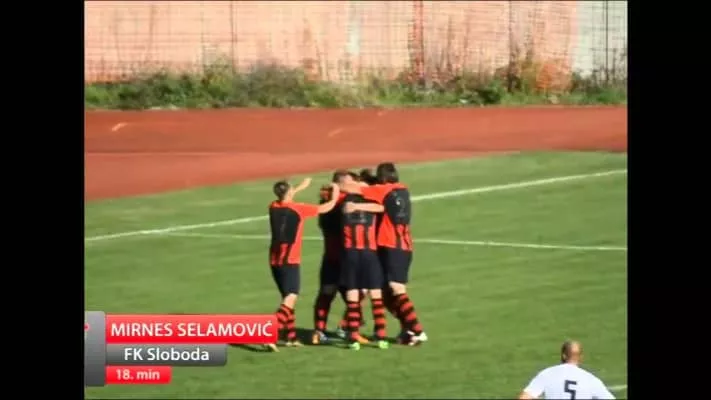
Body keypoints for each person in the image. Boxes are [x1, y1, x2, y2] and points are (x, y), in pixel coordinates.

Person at [344, 162, 427, 345]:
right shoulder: (402, 189)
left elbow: (350, 188)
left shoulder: (383, 190)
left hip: (392, 245)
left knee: (396, 287)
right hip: (403, 245)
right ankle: (408, 329)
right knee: (384, 290)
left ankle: (417, 329)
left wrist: (346, 185)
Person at [266, 177, 340, 352]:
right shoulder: (299, 209)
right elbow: (326, 207)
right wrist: (335, 194)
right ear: (289, 192)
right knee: (291, 297)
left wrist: (299, 187)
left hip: (275, 260)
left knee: (287, 299)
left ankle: (290, 337)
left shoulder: (273, 206)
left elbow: (285, 197)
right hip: (290, 261)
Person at [311, 170, 368, 346]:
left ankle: (341, 328)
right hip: (341, 258)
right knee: (337, 293)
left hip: (334, 257)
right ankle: (330, 330)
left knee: (349, 294)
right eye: (349, 183)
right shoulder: (338, 201)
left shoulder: (327, 200)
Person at [340, 187, 389, 351]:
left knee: (353, 294)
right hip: (368, 253)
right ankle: (381, 336)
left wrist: (355, 206)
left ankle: (353, 336)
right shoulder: (370, 205)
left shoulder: (345, 205)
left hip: (351, 254)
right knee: (375, 294)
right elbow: (381, 207)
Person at [517, 340, 615, 400]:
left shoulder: (548, 374)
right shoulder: (591, 380)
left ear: (563, 355)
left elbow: (524, 398)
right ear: (581, 357)